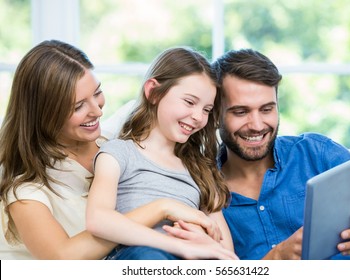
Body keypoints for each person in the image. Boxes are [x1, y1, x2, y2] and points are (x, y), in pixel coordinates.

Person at [0, 40, 236, 260]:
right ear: (44, 114)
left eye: (97, 93)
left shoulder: (116, 136)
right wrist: (164, 209)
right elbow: (63, 257)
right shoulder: (26, 190)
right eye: (79, 106)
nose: (97, 111)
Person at [211, 48, 350, 260]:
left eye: (267, 109)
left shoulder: (320, 154)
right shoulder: (203, 191)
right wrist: (277, 258)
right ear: (215, 114)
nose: (257, 125)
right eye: (241, 112)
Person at [86, 47, 237, 260]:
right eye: (190, 102)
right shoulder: (118, 153)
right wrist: (178, 246)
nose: (197, 116)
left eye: (206, 109)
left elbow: (226, 253)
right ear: (154, 92)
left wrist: (205, 243)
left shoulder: (198, 168)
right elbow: (97, 219)